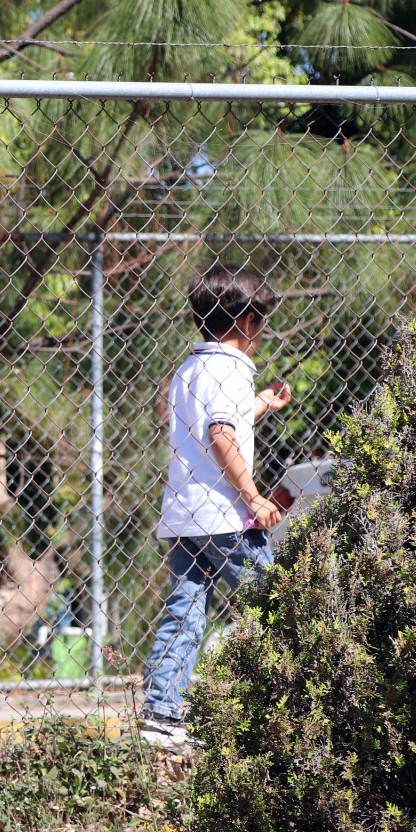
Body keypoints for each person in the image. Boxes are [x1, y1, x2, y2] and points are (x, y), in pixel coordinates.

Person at [141, 265, 293, 747]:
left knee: (185, 612)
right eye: (262, 321)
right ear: (247, 322)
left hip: (185, 517)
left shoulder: (191, 369)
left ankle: (160, 716)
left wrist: (263, 404)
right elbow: (222, 435)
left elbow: (217, 421)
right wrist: (253, 497)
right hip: (227, 518)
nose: (262, 332)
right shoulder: (230, 369)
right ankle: (292, 709)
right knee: (278, 605)